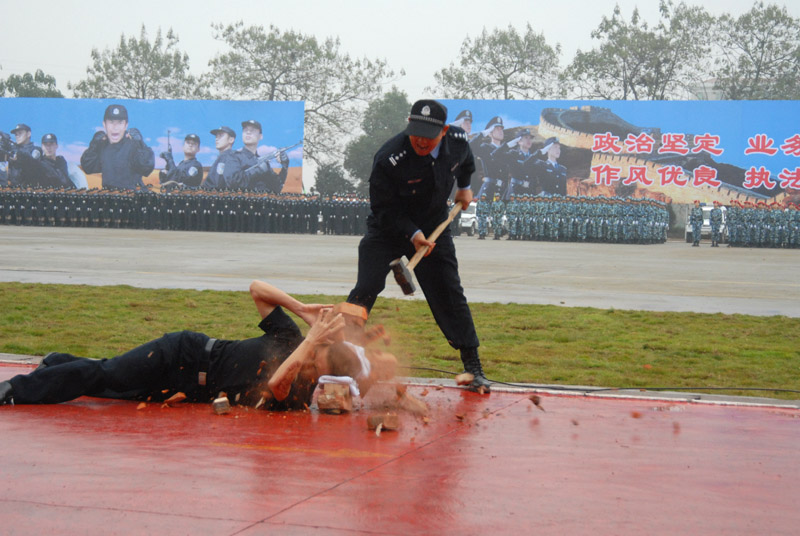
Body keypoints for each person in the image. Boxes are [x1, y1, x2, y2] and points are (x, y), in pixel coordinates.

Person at [0, 281, 374, 408]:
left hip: (187, 390)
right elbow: (257, 289)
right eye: (322, 346)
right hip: (186, 352)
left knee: (110, 386)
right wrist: (298, 307)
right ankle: (15, 390)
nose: (316, 351)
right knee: (108, 372)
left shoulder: (298, 391)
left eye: (322, 353)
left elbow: (276, 383)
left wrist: (310, 341)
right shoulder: (291, 337)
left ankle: (58, 361)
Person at [345, 99, 491, 393]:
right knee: (366, 287)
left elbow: (467, 163)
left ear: (445, 131)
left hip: (434, 228)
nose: (421, 141)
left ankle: (472, 365)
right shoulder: (389, 157)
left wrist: (464, 187)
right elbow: (383, 208)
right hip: (388, 228)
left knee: (449, 292)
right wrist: (412, 234)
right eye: (416, 133)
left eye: (429, 135)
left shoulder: (458, 141)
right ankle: (340, 356)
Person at [234, 119, 289, 192]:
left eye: (252, 130)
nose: (248, 132)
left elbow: (277, 188)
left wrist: (285, 167)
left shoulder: (263, 162)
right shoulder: (234, 158)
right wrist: (257, 171)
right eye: (245, 130)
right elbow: (232, 184)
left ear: (260, 136)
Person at [473, 116, 506, 199]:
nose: (500, 131)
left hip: (502, 192)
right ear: (490, 133)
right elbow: (471, 147)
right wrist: (482, 134)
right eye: (497, 129)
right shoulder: (485, 147)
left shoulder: (506, 151)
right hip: (488, 191)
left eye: (501, 128)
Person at [5, 123, 45, 187]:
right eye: (16, 134)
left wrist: (17, 153)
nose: (17, 136)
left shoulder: (36, 150)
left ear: (28, 134)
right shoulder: (13, 150)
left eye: (20, 133)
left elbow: (31, 160)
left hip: (29, 191)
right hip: (13, 190)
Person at [203, 126, 238, 190]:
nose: (216, 139)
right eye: (216, 136)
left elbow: (224, 185)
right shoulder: (221, 158)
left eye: (221, 136)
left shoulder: (230, 158)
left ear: (231, 140)